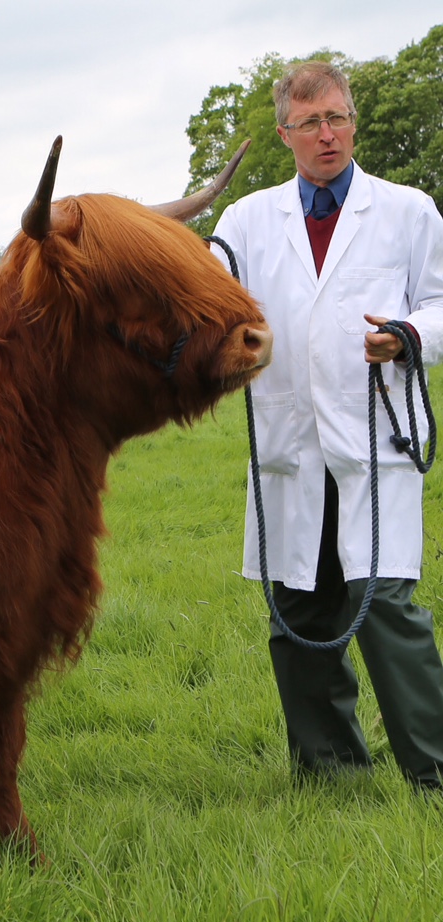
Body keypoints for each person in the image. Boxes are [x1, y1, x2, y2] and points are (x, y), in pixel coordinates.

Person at [212, 60, 443, 790]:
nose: (328, 134)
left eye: (338, 117)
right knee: (299, 610)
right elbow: (208, 299)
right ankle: (330, 771)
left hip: (376, 437)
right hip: (290, 446)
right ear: (285, 133)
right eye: (310, 122)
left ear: (352, 121)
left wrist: (408, 334)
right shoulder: (247, 222)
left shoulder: (407, 212)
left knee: (385, 606)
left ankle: (434, 774)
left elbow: (440, 304)